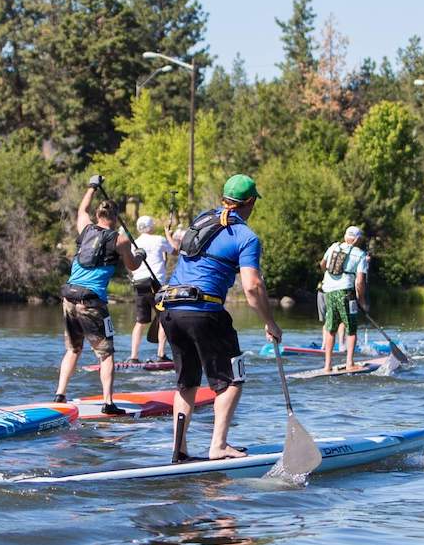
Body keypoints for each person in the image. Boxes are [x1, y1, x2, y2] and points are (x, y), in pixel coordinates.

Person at [160, 174, 281, 461]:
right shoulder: (246, 237)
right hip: (205, 314)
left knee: (187, 383)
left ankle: (179, 449)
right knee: (232, 379)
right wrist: (270, 322)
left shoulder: (203, 219)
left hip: (171, 310)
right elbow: (252, 287)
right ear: (250, 203)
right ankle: (219, 445)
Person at [54, 176, 145, 414]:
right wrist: (141, 255)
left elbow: (82, 208)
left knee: (73, 349)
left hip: (69, 297)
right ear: (115, 218)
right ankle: (108, 403)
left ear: (97, 216)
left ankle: (60, 395)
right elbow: (133, 266)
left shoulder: (85, 228)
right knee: (106, 354)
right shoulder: (120, 239)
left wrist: (92, 187)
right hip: (92, 302)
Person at [127, 214, 179, 363]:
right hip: (157, 286)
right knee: (163, 319)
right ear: (151, 227)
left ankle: (134, 356)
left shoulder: (134, 243)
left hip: (140, 284)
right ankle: (161, 354)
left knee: (140, 321)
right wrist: (169, 235)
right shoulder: (159, 239)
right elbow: (176, 250)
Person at [318, 226, 369, 372]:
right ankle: (349, 363)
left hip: (328, 291)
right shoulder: (361, 255)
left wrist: (330, 277)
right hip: (346, 293)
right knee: (351, 328)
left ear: (345, 236)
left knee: (330, 328)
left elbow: (322, 264)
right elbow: (359, 282)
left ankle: (327, 366)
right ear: (358, 239)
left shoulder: (334, 247)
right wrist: (362, 301)